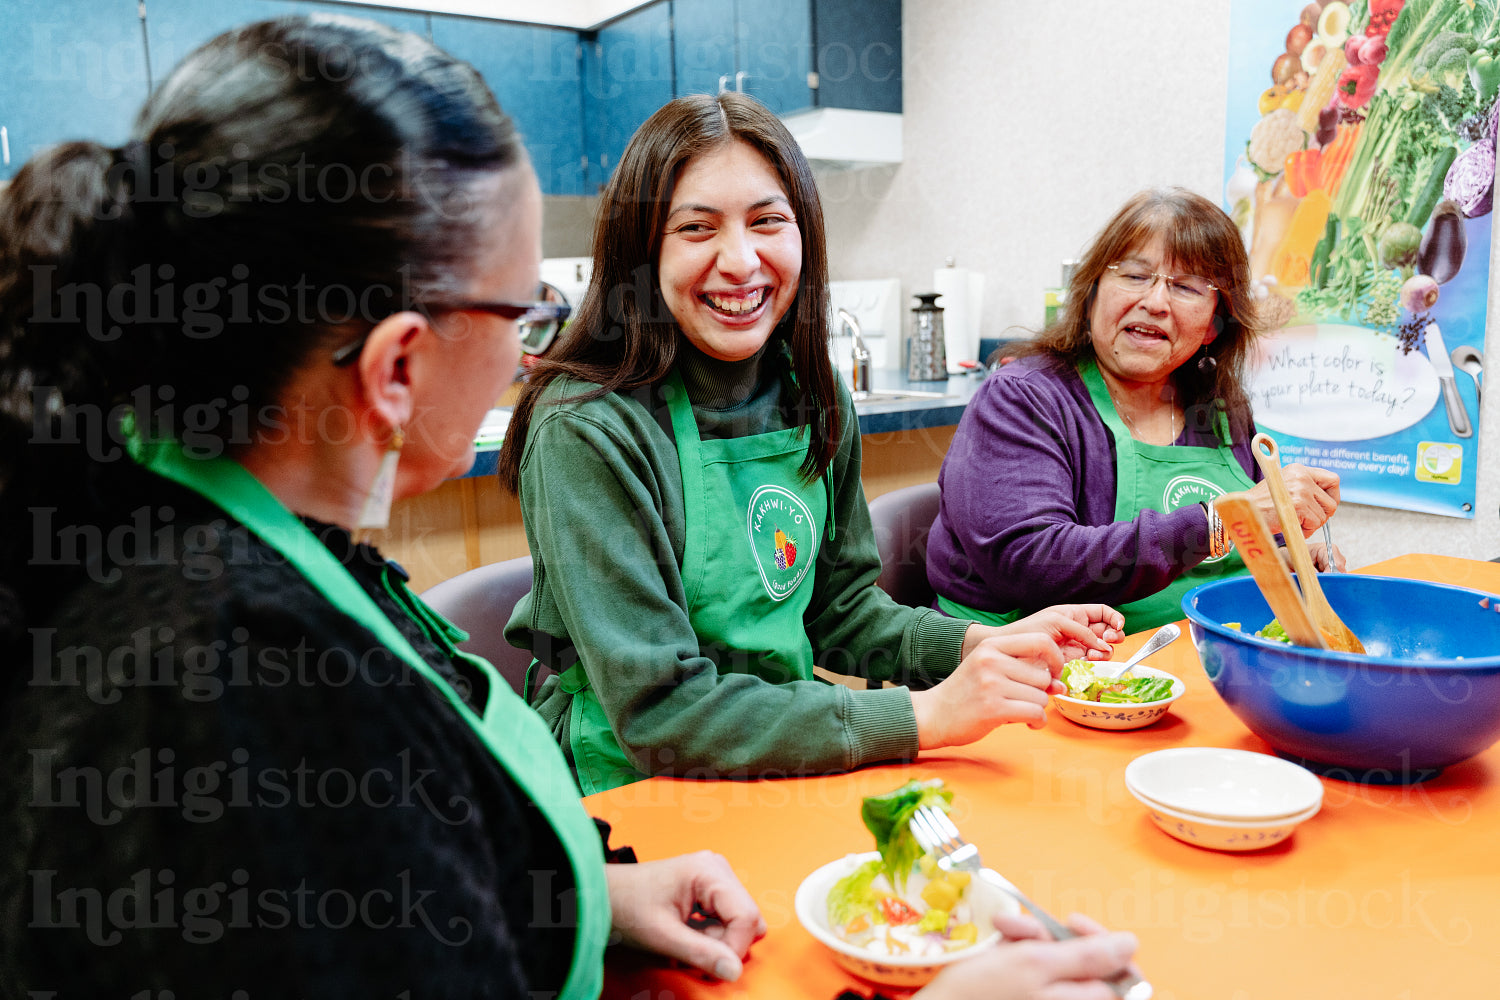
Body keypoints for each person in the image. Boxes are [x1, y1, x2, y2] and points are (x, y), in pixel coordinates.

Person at [0, 17, 765, 996]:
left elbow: (401, 865)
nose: (532, 351)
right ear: (397, 365)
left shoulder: (190, 517)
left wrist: (586, 896)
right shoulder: (244, 686)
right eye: (525, 310)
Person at [495, 92, 1125, 796]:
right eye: (697, 228)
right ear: (641, 250)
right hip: (628, 783)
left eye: (768, 222)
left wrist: (981, 646)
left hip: (785, 748)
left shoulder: (813, 385)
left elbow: (840, 610)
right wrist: (929, 714)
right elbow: (660, 713)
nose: (741, 261)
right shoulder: (588, 427)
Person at [927, 188, 1344, 634]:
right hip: (1033, 668)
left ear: (1212, 325)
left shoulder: (1219, 407)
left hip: (1196, 652)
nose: (1156, 302)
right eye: (1134, 275)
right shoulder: (1022, 399)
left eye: (1185, 287)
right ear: (1091, 295)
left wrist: (1282, 559)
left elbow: (1219, 549)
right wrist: (1222, 520)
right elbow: (1032, 562)